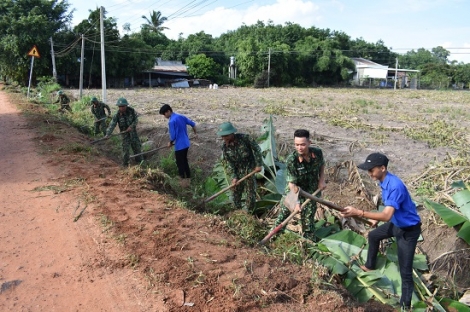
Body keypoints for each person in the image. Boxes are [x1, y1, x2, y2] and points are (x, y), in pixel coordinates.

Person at [340, 153, 421, 311]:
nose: (369, 173)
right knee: (373, 235)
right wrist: (375, 219)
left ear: (383, 168)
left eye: (371, 170)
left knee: (405, 272)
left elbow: (386, 215)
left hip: (408, 231)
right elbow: (388, 207)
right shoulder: (384, 181)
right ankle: (370, 265)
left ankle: (405, 306)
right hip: (397, 224)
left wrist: (359, 212)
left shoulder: (395, 185)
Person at [273, 129, 326, 240]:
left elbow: (322, 165)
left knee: (308, 222)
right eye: (297, 145)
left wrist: (321, 180)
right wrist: (296, 203)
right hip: (294, 192)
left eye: (302, 144)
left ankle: (308, 243)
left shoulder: (317, 153)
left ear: (309, 143)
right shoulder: (291, 160)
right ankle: (273, 239)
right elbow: (292, 184)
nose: (299, 148)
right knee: (282, 218)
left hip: (311, 191)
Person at [217, 122, 263, 212]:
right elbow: (230, 163)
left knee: (250, 193)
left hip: (249, 169)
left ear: (232, 133)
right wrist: (234, 177)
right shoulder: (225, 147)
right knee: (235, 194)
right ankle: (237, 213)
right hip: (237, 171)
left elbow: (257, 149)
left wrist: (258, 164)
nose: (224, 138)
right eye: (222, 136)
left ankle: (248, 213)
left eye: (226, 136)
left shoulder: (245, 139)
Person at [159, 104, 197, 181]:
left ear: (168, 111)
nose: (164, 116)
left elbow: (173, 136)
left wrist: (170, 142)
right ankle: (188, 177)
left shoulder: (171, 121)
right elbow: (193, 124)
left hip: (179, 145)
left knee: (180, 163)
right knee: (185, 160)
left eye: (164, 114)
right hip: (186, 143)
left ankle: (182, 179)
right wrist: (196, 134)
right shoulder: (181, 116)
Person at [105, 97, 143, 166]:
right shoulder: (117, 115)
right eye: (120, 106)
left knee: (137, 148)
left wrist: (131, 126)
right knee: (125, 150)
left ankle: (140, 163)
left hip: (133, 134)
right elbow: (112, 125)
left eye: (123, 106)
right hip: (125, 135)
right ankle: (125, 165)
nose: (121, 108)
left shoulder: (131, 111)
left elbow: (136, 120)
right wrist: (108, 134)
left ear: (126, 106)